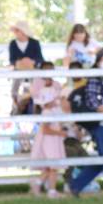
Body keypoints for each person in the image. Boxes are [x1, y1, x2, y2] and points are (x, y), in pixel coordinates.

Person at [67, 50, 103, 198]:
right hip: (100, 123)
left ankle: (76, 184)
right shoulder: (95, 79)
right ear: (98, 62)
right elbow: (94, 102)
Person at [29, 61, 67, 197]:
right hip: (50, 139)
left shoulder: (52, 111)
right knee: (53, 166)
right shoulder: (47, 113)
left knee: (51, 166)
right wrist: (60, 132)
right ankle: (51, 190)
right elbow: (46, 130)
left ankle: (39, 184)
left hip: (53, 139)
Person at [8, 21, 45, 112]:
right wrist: (19, 62)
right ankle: (16, 106)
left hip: (33, 71)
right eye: (15, 31)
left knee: (35, 87)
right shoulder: (13, 44)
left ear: (23, 31)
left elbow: (40, 59)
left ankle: (36, 107)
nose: (15, 33)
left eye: (17, 30)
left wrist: (32, 61)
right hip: (18, 71)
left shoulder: (35, 43)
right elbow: (12, 60)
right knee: (15, 88)